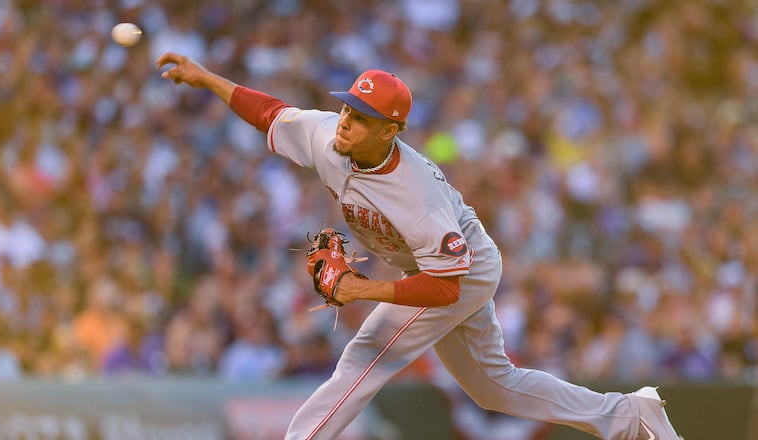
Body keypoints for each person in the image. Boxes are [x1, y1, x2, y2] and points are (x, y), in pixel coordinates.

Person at [156, 52, 683, 440]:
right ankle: (629, 418)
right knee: (493, 387)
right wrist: (206, 79)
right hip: (436, 266)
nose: (344, 121)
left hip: (461, 272)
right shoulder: (328, 136)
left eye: (360, 117)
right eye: (345, 108)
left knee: (367, 354)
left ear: (391, 130)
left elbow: (447, 287)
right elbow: (270, 112)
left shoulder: (417, 195)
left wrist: (365, 289)